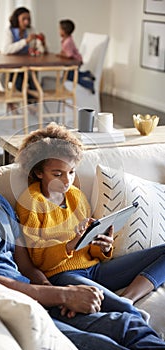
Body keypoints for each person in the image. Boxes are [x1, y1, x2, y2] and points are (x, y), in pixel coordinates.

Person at [0, 124, 165, 350]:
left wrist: (56, 295)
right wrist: (61, 294)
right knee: (105, 345)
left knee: (130, 325)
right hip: (17, 308)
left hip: (42, 298)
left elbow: (25, 265)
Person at [15, 122, 165, 322]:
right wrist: (71, 244)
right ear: (38, 172)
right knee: (120, 310)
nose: (67, 180)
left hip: (95, 269)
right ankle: (131, 314)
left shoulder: (76, 196)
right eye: (57, 174)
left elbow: (90, 250)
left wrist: (102, 246)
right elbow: (39, 260)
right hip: (62, 275)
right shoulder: (31, 202)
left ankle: (129, 298)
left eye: (71, 172)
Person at [0, 6, 47, 107]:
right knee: (18, 79)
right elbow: (6, 50)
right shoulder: (9, 31)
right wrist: (25, 41)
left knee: (31, 77)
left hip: (26, 65)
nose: (26, 22)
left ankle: (33, 104)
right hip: (12, 66)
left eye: (28, 19)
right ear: (17, 19)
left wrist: (42, 43)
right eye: (24, 19)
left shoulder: (31, 30)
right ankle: (24, 103)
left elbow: (39, 50)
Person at [58, 19, 95, 92]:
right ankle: (87, 74)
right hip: (75, 61)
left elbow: (69, 55)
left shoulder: (67, 42)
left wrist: (62, 55)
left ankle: (89, 84)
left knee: (71, 77)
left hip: (75, 62)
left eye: (60, 29)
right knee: (71, 75)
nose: (59, 31)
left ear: (64, 31)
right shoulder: (66, 39)